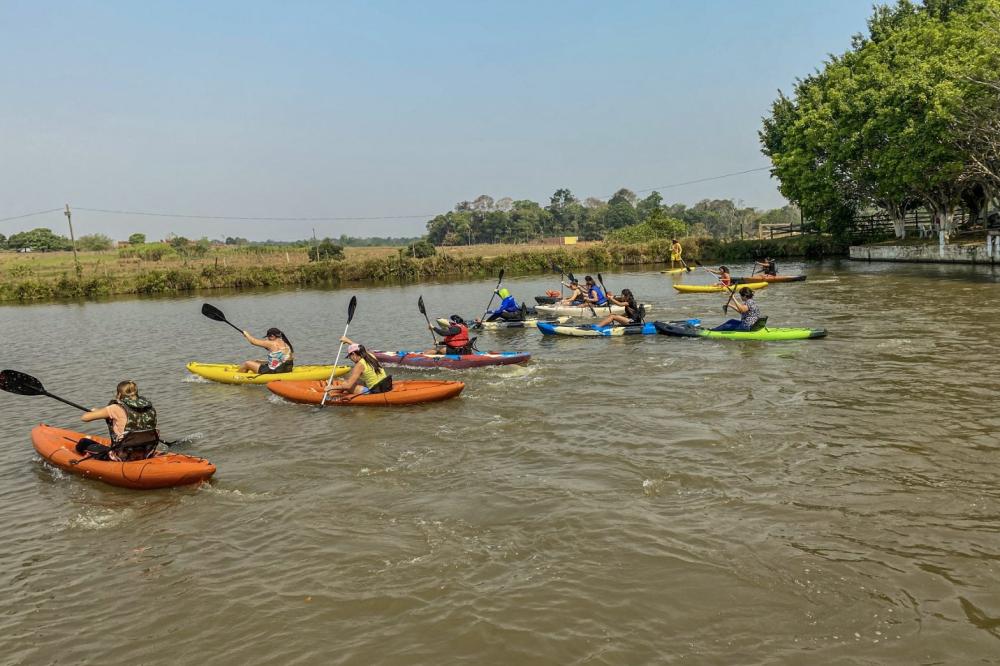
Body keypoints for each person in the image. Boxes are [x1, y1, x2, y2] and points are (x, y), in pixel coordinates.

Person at [79, 380, 159, 461]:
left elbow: (84, 418)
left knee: (83, 442)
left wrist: (97, 412)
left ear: (119, 394)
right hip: (146, 452)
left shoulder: (115, 408)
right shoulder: (149, 407)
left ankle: (86, 459)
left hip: (122, 456)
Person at [325, 337, 392, 395]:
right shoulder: (371, 356)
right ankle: (333, 390)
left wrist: (332, 387)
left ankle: (331, 391)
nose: (350, 359)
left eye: (349, 356)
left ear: (353, 354)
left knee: (347, 384)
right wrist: (348, 341)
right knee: (358, 381)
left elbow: (348, 386)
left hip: (375, 391)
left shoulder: (360, 365)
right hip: (385, 385)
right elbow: (361, 348)